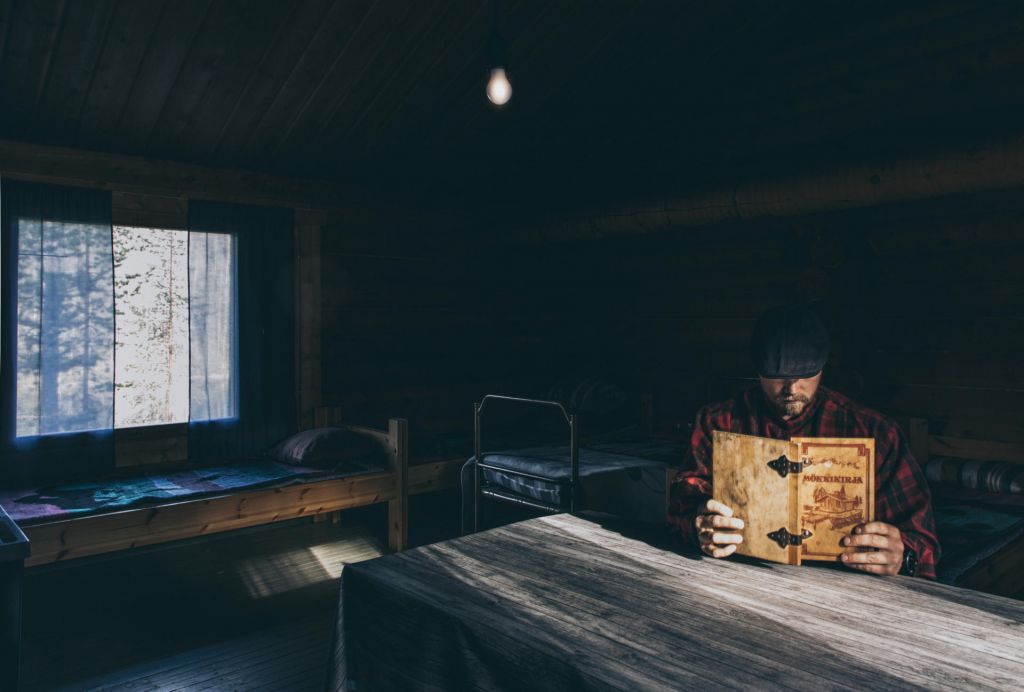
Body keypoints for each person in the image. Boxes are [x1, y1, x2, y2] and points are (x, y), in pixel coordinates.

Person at [667, 304, 940, 578]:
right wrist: (697, 525)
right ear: (758, 371)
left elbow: (924, 543)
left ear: (823, 367)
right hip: (739, 577)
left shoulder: (876, 433)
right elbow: (679, 509)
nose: (791, 389)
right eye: (777, 377)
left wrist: (904, 556)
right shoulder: (718, 422)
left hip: (846, 588)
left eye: (805, 375)